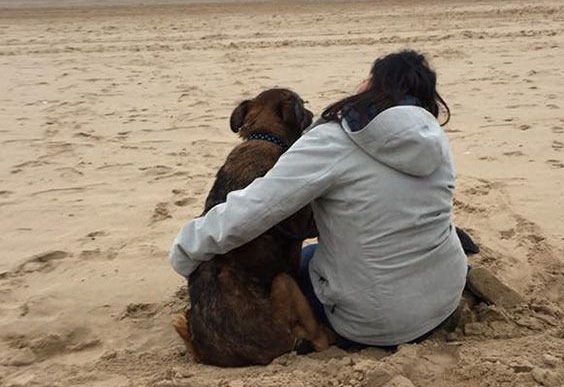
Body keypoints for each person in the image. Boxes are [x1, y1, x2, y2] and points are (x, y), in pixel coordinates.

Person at [170, 50, 468, 348]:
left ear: (373, 84)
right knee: (320, 253)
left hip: (377, 323)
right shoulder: (432, 137)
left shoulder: (334, 139)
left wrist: (185, 250)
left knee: (288, 273)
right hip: (443, 299)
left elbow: (255, 208)